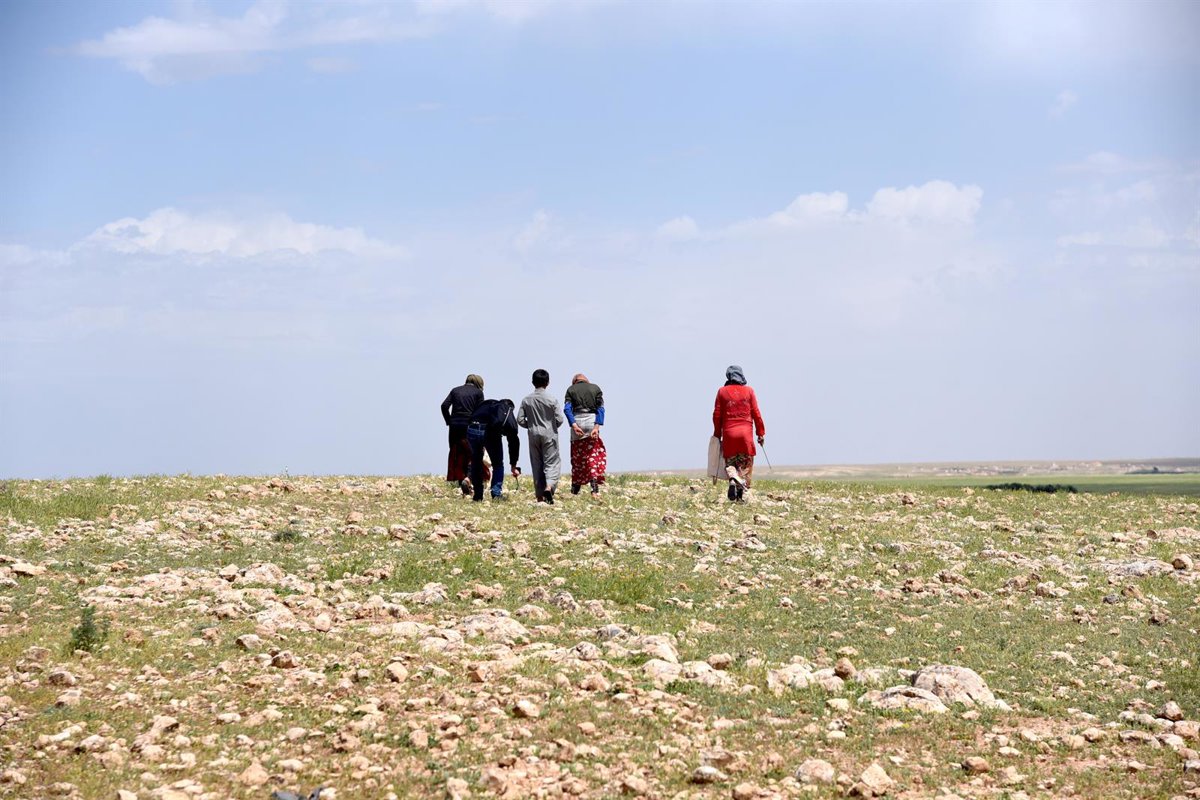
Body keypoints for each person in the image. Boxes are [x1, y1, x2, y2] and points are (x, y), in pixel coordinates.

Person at [713, 365, 765, 502]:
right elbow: (756, 413)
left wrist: (717, 434)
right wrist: (760, 433)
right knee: (745, 464)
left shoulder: (722, 391)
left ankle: (732, 479)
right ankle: (740, 495)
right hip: (745, 436)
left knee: (731, 463)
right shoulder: (749, 391)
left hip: (729, 434)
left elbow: (717, 415)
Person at [518, 369, 565, 504]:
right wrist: (552, 426)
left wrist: (531, 426)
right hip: (549, 434)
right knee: (552, 463)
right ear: (547, 382)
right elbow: (560, 419)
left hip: (533, 434)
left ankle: (539, 496)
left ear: (533, 382)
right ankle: (549, 487)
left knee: (536, 464)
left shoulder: (526, 400)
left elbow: (520, 419)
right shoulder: (552, 399)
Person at [467, 398, 521, 502]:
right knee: (498, 464)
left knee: (476, 462)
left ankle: (478, 495)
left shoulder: (489, 404)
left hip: (472, 428)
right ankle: (496, 494)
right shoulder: (508, 411)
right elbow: (513, 440)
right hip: (490, 433)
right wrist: (513, 464)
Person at [441, 374, 485, 495]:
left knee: (457, 453)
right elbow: (481, 411)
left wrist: (449, 421)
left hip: (454, 426)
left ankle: (462, 483)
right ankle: (468, 479)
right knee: (474, 453)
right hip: (470, 425)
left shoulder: (455, 390)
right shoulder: (478, 393)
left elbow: (444, 406)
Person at [564, 373, 607, 496]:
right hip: (591, 421)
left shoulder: (570, 390)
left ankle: (575, 488)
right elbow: (601, 409)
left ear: (575, 381)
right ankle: (594, 488)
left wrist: (574, 425)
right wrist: (596, 427)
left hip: (577, 420)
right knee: (592, 454)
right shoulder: (595, 388)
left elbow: (567, 409)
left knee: (577, 456)